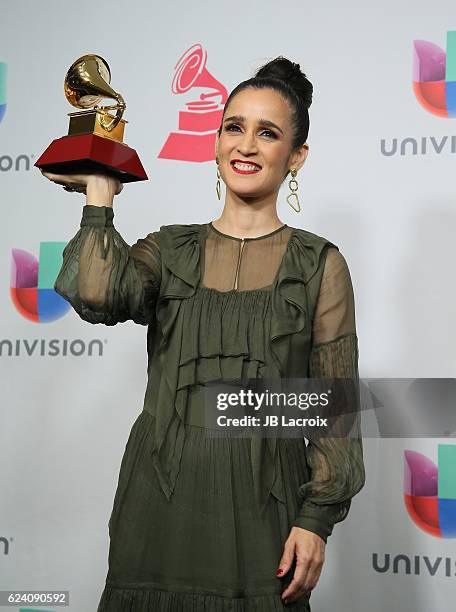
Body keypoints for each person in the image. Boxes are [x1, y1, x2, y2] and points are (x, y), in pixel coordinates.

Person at [41, 56, 365, 611]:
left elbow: (333, 408)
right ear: (216, 140)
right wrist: (101, 193)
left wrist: (315, 519)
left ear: (296, 157)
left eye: (268, 133)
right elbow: (96, 295)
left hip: (264, 507)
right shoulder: (168, 250)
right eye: (234, 127)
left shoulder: (318, 265)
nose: (246, 145)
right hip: (160, 500)